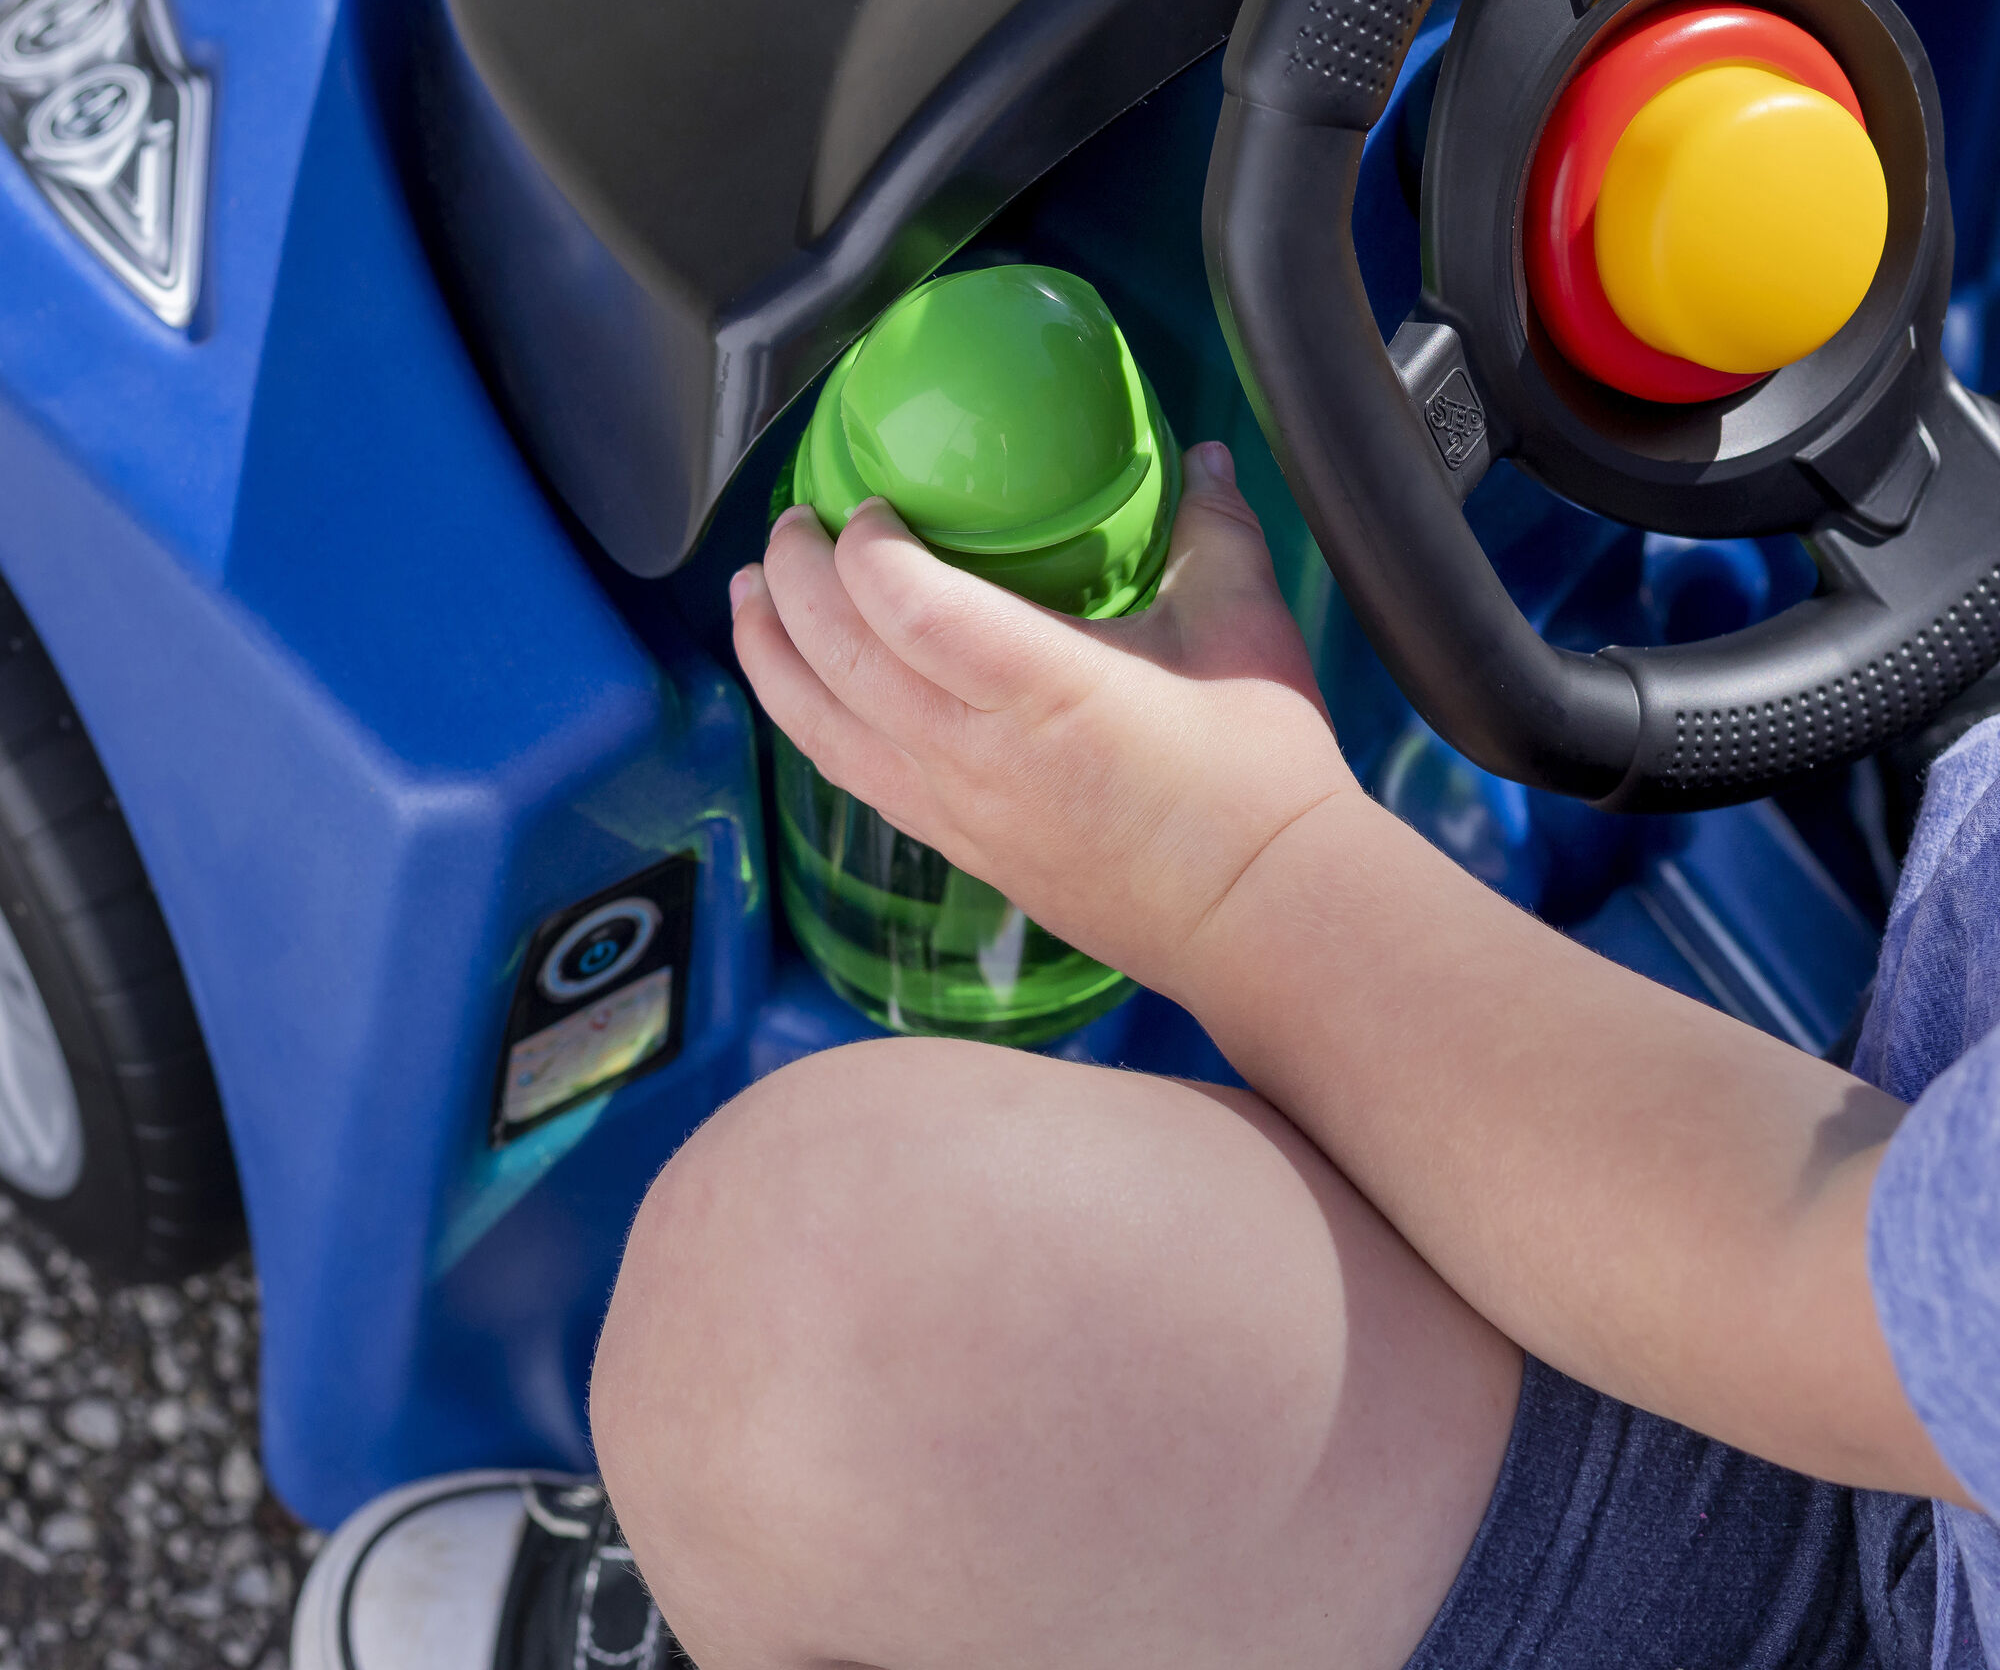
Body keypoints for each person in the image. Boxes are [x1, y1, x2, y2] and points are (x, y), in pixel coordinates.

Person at [295, 445, 1999, 1670]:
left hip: (1861, 1487)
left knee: (809, 1298)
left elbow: (1823, 1282)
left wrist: (1243, 872)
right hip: (1926, 1423)